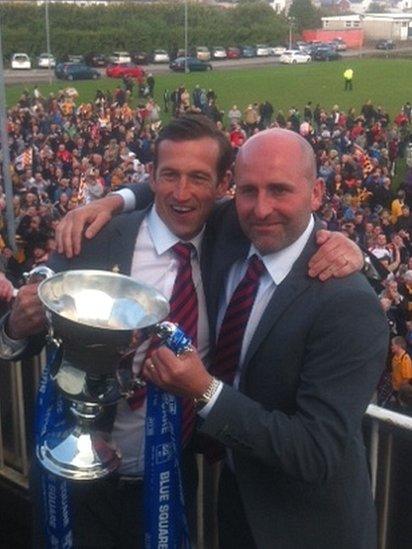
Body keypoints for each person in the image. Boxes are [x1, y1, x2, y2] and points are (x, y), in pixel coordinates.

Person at [17, 118, 361, 547]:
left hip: (170, 481)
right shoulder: (97, 237)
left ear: (221, 188)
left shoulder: (229, 237)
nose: (182, 193)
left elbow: (290, 212)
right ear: (151, 178)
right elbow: (26, 334)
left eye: (199, 178)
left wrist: (352, 247)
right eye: (169, 176)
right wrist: (16, 324)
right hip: (76, 479)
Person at [140, 129, 388, 548]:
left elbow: (316, 451)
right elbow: (176, 192)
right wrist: (117, 200)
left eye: (279, 190)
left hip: (307, 529)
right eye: (247, 190)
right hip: (237, 504)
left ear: (317, 193)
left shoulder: (346, 302)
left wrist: (205, 391)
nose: (261, 208)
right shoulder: (231, 232)